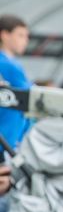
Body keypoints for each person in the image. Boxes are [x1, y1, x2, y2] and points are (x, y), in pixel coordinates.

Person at [0, 15, 32, 152]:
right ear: (5, 35)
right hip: (6, 141)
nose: (25, 41)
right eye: (20, 35)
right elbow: (33, 97)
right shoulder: (8, 65)